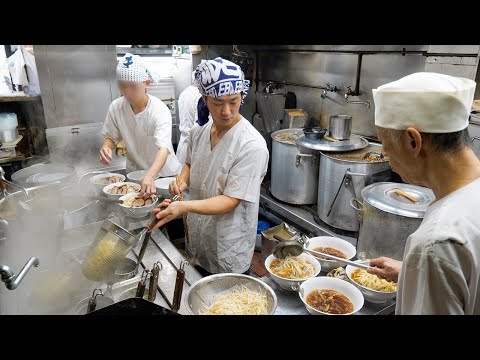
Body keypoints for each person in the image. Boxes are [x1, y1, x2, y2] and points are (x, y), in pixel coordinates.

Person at [367, 72, 480, 314]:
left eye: (384, 145)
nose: (385, 156)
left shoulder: (435, 243)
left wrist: (426, 264)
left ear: (413, 142)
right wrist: (411, 271)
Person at [151, 57, 269, 276]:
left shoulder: (251, 145)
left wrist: (183, 207)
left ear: (242, 96)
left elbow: (230, 200)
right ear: (204, 98)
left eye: (233, 101)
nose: (226, 111)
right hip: (199, 235)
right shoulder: (200, 133)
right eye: (217, 102)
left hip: (227, 245)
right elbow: (188, 163)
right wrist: (182, 180)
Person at [100, 53, 181, 197]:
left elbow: (163, 149)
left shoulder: (159, 110)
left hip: (164, 176)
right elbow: (111, 137)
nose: (127, 92)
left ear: (146, 83)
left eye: (132, 86)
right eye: (122, 86)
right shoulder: (116, 107)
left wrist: (151, 176)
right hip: (136, 176)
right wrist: (106, 148)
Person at [176, 72, 202, 165]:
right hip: (194, 146)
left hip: (183, 144)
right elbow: (199, 127)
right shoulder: (200, 96)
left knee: (179, 177)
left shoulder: (184, 92)